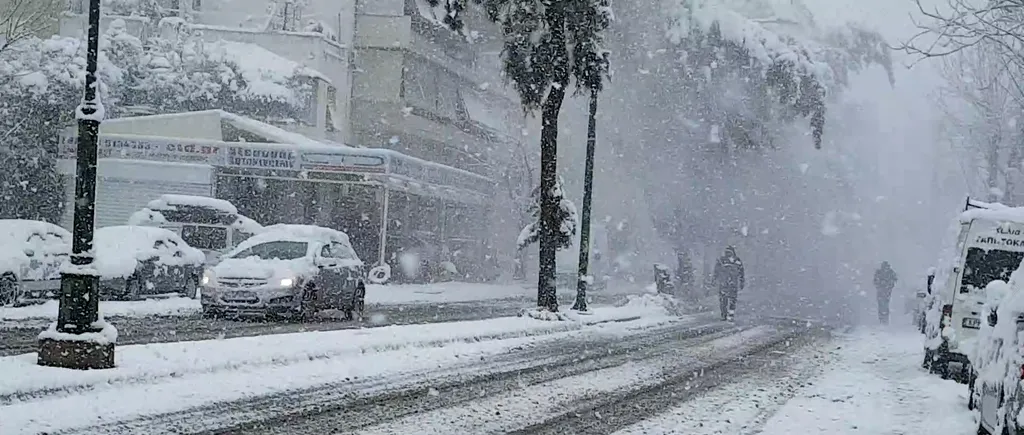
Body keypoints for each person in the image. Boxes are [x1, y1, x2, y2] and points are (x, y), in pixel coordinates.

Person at [713, 246, 745, 321]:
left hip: (730, 283)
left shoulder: (735, 260)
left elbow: (741, 272)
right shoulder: (722, 260)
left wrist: (742, 281)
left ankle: (729, 315)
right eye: (726, 252)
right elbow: (716, 271)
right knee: (726, 300)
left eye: (729, 252)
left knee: (730, 300)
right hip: (726, 283)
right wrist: (714, 279)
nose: (727, 253)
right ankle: (726, 315)